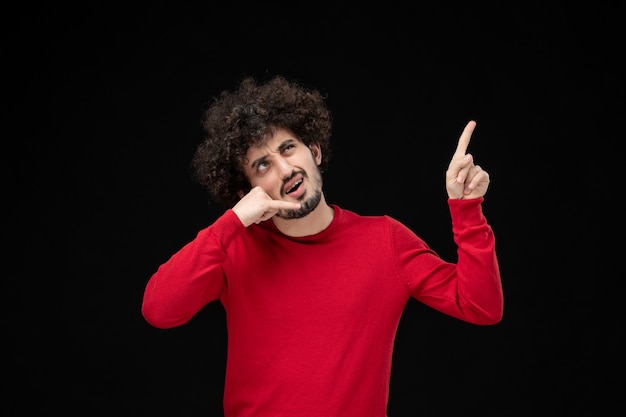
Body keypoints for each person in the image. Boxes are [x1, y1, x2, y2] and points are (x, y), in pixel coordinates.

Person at [141, 75, 504, 417]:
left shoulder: (385, 240)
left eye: (288, 149)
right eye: (263, 165)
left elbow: (480, 305)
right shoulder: (234, 249)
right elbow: (159, 308)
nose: (285, 170)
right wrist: (233, 222)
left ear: (314, 150)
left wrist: (467, 209)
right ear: (246, 190)